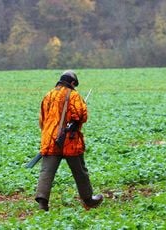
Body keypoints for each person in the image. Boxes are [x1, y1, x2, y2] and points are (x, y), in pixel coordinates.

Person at [35, 70, 103, 211]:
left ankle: (42, 203)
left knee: (47, 171)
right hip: (69, 140)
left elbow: (42, 119)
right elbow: (81, 115)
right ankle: (88, 200)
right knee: (80, 171)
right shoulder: (73, 95)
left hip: (50, 140)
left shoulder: (48, 95)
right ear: (72, 82)